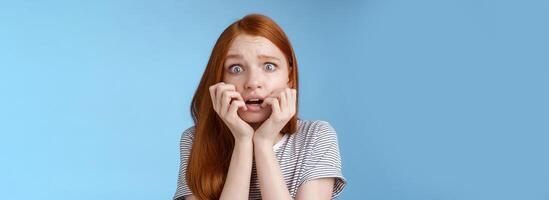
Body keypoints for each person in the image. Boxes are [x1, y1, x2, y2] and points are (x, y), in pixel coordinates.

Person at [173, 13, 347, 200]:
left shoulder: (316, 137)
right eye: (236, 68)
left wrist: (263, 143)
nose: (253, 82)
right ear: (220, 78)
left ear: (289, 75)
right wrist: (243, 141)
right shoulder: (195, 140)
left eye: (269, 66)